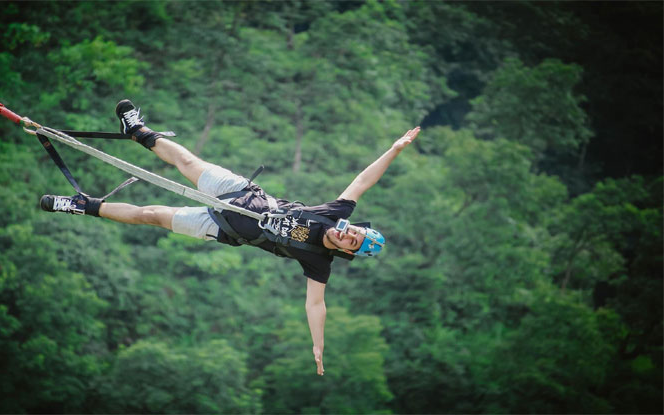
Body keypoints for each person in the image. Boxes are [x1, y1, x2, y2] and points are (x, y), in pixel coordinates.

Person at [40, 100, 421, 376]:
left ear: (347, 252)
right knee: (187, 162)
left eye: (353, 241)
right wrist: (394, 149)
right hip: (242, 194)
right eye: (356, 231)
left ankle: (81, 206)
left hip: (223, 227)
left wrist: (318, 344)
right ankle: (137, 130)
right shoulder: (335, 213)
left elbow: (316, 306)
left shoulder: (318, 261)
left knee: (150, 215)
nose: (350, 234)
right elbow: (363, 181)